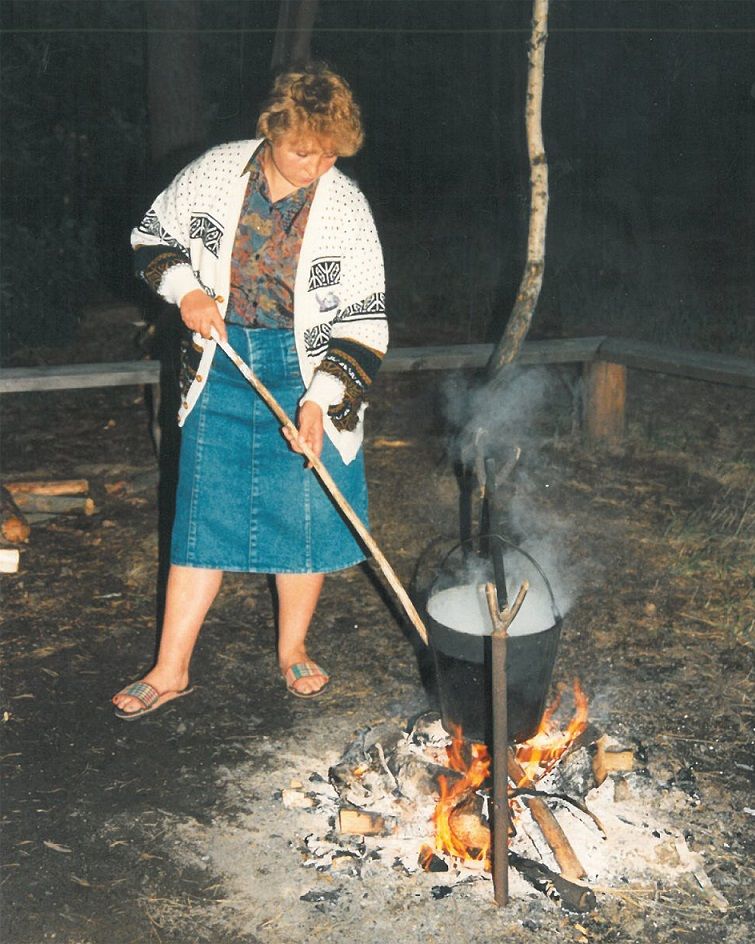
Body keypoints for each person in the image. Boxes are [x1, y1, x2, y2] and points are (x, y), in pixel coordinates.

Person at [112, 64, 387, 718]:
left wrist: (320, 398)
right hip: (222, 358)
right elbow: (149, 238)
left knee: (303, 511)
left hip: (305, 366)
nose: (316, 165)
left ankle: (292, 648)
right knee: (202, 512)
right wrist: (187, 291)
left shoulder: (344, 206)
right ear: (271, 131)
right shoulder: (214, 173)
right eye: (302, 150)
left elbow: (363, 318)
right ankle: (170, 668)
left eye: (329, 153)